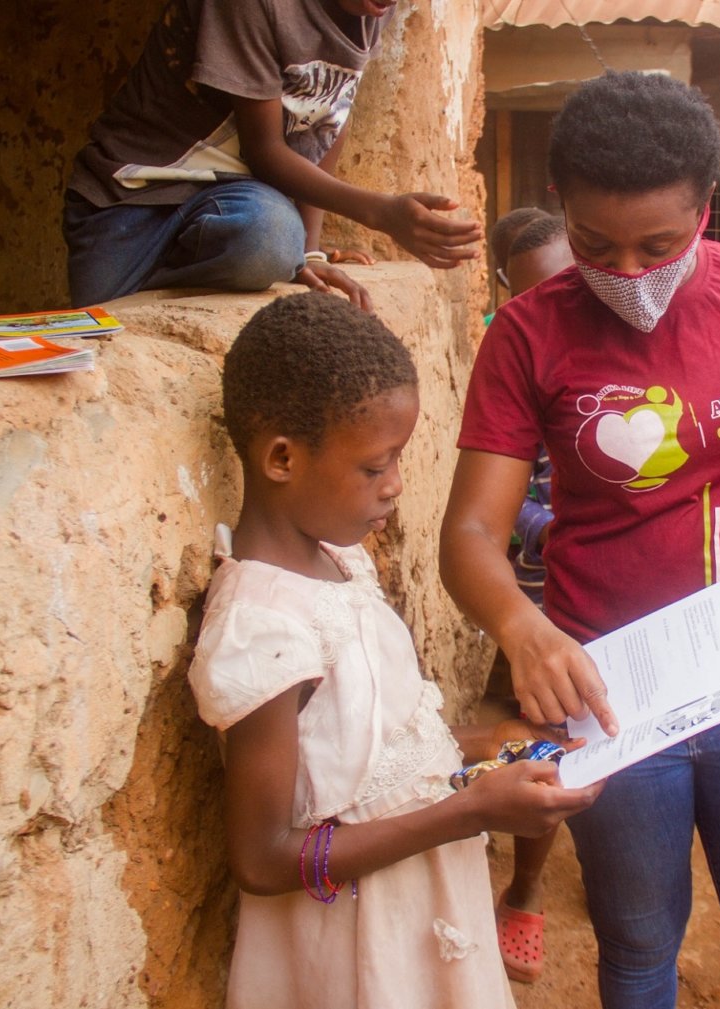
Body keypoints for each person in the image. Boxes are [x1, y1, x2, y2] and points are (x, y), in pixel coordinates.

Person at [439, 69, 720, 1009]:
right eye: (594, 245)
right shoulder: (527, 335)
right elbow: (469, 530)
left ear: (707, 209)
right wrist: (523, 627)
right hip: (610, 688)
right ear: (562, 214)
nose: (627, 274)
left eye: (658, 245)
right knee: (634, 946)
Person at [186, 291, 601, 1008]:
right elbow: (261, 856)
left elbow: (371, 754)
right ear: (282, 457)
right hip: (350, 947)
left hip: (413, 908)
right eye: (376, 465)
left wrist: (489, 742)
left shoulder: (342, 562)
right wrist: (470, 810)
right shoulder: (260, 627)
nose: (397, 484)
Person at [63, 0, 481, 313]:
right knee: (102, 312)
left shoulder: (373, 8)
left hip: (238, 199)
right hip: (132, 196)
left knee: (275, 241)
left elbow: (330, 115)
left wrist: (308, 251)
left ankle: (265, 258)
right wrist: (382, 214)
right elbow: (263, 151)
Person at [485, 211, 572, 983]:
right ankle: (526, 889)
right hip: (541, 598)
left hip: (617, 591)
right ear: (506, 295)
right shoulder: (507, 353)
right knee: (542, 739)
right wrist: (550, 530)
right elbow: (496, 497)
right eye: (534, 293)